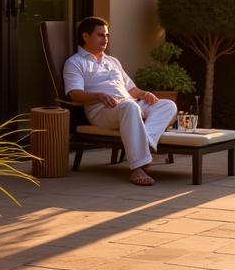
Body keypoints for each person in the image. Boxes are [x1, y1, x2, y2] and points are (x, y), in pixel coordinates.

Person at [63, 17, 177, 187]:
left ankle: (146, 141)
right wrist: (99, 96)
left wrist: (145, 94)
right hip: (102, 111)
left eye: (107, 35)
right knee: (130, 106)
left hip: (129, 104)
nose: (105, 39)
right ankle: (138, 167)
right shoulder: (75, 63)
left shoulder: (113, 61)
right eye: (100, 35)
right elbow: (75, 95)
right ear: (86, 37)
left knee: (167, 105)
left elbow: (132, 89)